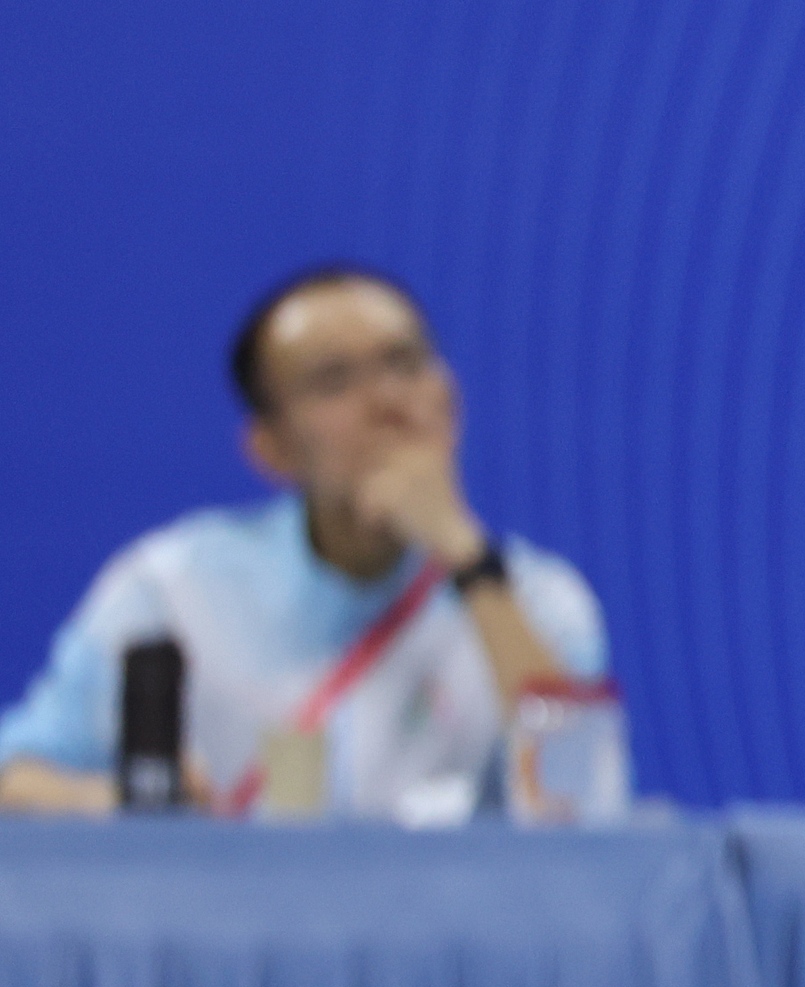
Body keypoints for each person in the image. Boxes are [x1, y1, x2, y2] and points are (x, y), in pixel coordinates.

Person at [0, 267, 609, 821]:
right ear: (270, 448)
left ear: (450, 396)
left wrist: (469, 560)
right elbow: (12, 778)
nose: (387, 403)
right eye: (333, 380)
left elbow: (583, 812)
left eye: (405, 363)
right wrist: (116, 802)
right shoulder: (173, 589)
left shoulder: (539, 601)